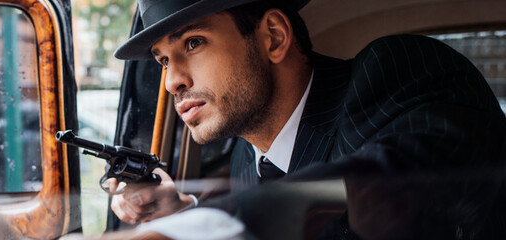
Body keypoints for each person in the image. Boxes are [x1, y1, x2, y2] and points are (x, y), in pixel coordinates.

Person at [106, 0, 506, 237]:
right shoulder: (249, 156)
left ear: (274, 37)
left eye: (193, 43)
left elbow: (402, 176)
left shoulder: (391, 72)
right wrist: (184, 211)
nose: (172, 81)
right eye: (162, 61)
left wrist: (210, 226)